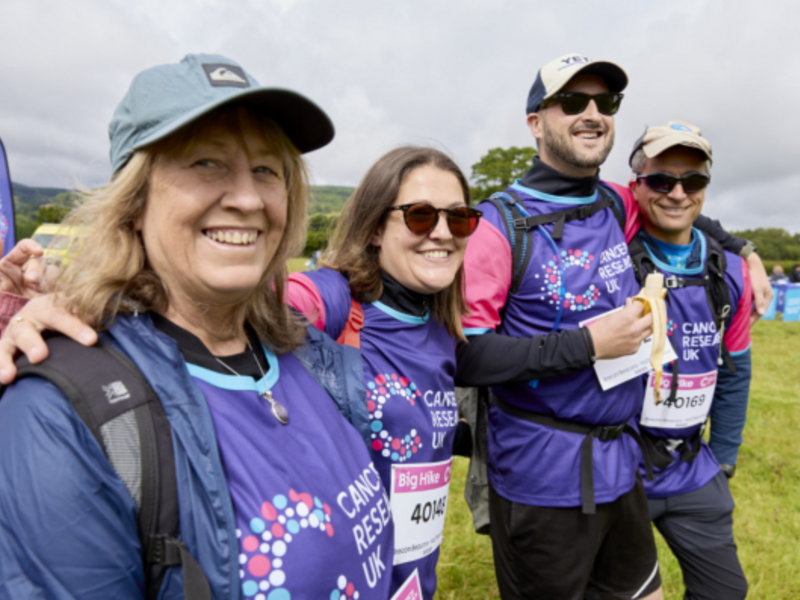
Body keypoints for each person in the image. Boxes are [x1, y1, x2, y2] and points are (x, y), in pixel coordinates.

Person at [0, 54, 394, 599]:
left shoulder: (308, 354)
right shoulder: (63, 413)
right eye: (206, 163)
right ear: (135, 201)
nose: (248, 198)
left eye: (266, 170)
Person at [455, 53, 768, 599]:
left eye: (606, 102)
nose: (593, 113)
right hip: (541, 475)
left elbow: (677, 201)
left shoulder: (612, 203)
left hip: (621, 467)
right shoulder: (497, 226)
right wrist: (588, 345)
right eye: (573, 102)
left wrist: (746, 250)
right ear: (535, 122)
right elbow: (467, 358)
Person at [286, 145, 480, 599]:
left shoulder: (440, 330)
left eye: (458, 219)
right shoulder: (337, 301)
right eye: (419, 216)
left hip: (411, 582)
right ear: (374, 227)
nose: (441, 233)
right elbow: (270, 302)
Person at [626, 121, 751, 599]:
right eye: (661, 180)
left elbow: (735, 371)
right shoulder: (610, 247)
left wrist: (722, 460)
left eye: (693, 181)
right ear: (635, 181)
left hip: (692, 466)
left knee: (725, 592)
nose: (678, 193)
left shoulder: (731, 269)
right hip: (619, 468)